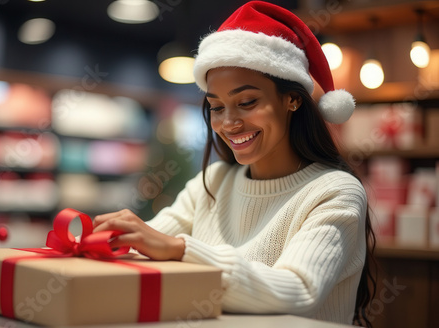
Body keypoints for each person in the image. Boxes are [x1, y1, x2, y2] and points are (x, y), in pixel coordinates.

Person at [93, 1, 376, 326]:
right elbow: (146, 243)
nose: (229, 123)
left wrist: (179, 249)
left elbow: (298, 292)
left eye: (247, 102)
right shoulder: (214, 182)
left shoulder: (335, 192)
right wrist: (107, 240)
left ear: (293, 99)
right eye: (216, 107)